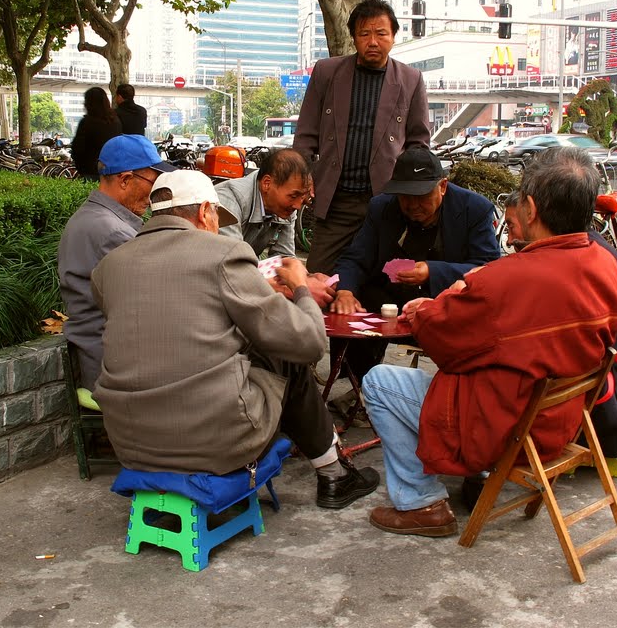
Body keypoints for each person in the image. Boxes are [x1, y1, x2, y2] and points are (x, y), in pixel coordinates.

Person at [360, 147, 617, 537]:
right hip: (561, 421)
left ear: (532, 209)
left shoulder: (507, 279)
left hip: (506, 424)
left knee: (380, 381)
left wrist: (426, 309)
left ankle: (420, 502)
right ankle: (472, 476)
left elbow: (444, 343)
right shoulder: (607, 264)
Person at [92, 170, 379, 509]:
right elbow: (309, 342)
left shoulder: (108, 267)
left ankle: (330, 468)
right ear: (203, 213)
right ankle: (334, 475)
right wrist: (300, 286)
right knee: (287, 352)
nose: (216, 224)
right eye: (215, 215)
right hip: (214, 441)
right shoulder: (224, 253)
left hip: (130, 442)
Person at [501, 192, 617, 460]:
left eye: (511, 227)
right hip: (607, 376)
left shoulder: (579, 257)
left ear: (532, 215)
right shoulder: (584, 247)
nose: (509, 240)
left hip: (611, 388)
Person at [330, 145, 500, 383]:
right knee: (347, 304)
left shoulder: (475, 209)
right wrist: (345, 291)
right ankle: (354, 383)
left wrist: (433, 270)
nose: (412, 205)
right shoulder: (382, 207)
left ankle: (457, 389)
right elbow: (356, 257)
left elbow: (490, 269)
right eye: (404, 197)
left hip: (444, 303)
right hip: (389, 297)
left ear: (442, 186)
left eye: (421, 197)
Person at [294, 0, 431, 275]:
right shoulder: (327, 72)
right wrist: (304, 176)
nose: (373, 41)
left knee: (390, 278)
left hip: (387, 201)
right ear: (354, 37)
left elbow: (419, 142)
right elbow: (306, 134)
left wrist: (410, 190)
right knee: (320, 277)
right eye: (364, 33)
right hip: (336, 201)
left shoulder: (410, 79)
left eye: (381, 33)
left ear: (393, 36)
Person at [58, 135, 174, 401]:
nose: (156, 192)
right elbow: (153, 301)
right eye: (153, 182)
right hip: (112, 367)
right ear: (124, 179)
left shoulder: (97, 218)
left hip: (112, 355)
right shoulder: (110, 231)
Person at [215, 148, 335, 308]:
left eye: (302, 197)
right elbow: (233, 270)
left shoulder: (285, 207)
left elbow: (284, 258)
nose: (298, 205)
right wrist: (298, 289)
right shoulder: (229, 201)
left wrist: (308, 276)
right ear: (266, 183)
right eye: (293, 196)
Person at [71, 87, 122, 180]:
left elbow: (77, 149)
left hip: (90, 171)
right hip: (112, 172)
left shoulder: (87, 123)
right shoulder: (115, 122)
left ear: (88, 103)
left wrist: (81, 167)